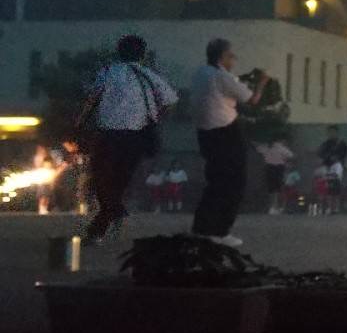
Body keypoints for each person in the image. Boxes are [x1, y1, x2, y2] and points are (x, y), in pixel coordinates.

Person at [75, 35, 179, 244]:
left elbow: (92, 99)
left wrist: (79, 122)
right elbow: (170, 100)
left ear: (119, 52)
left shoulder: (108, 72)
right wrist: (155, 116)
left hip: (107, 134)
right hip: (135, 136)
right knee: (119, 181)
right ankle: (108, 219)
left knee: (101, 179)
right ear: (142, 55)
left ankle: (104, 222)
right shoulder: (149, 76)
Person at [191, 38, 267, 246]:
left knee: (215, 182)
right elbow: (252, 100)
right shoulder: (222, 76)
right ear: (222, 57)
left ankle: (201, 228)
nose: (234, 60)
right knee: (234, 183)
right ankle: (221, 230)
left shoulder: (200, 73)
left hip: (205, 133)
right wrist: (262, 82)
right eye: (231, 56)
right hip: (225, 131)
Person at [256, 139, 294, 214]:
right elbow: (291, 155)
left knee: (272, 189)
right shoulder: (281, 148)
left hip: (270, 167)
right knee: (278, 188)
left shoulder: (267, 147)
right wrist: (284, 159)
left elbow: (259, 149)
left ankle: (273, 207)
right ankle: (276, 207)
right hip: (278, 168)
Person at [316, 126, 347, 213]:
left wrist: (337, 159)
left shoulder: (341, 143)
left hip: (337, 166)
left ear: (337, 133)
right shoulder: (325, 144)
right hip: (327, 167)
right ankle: (329, 207)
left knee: (336, 187)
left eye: (334, 132)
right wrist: (324, 160)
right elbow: (320, 154)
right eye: (330, 132)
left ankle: (336, 207)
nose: (332, 134)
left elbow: (344, 155)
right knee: (328, 187)